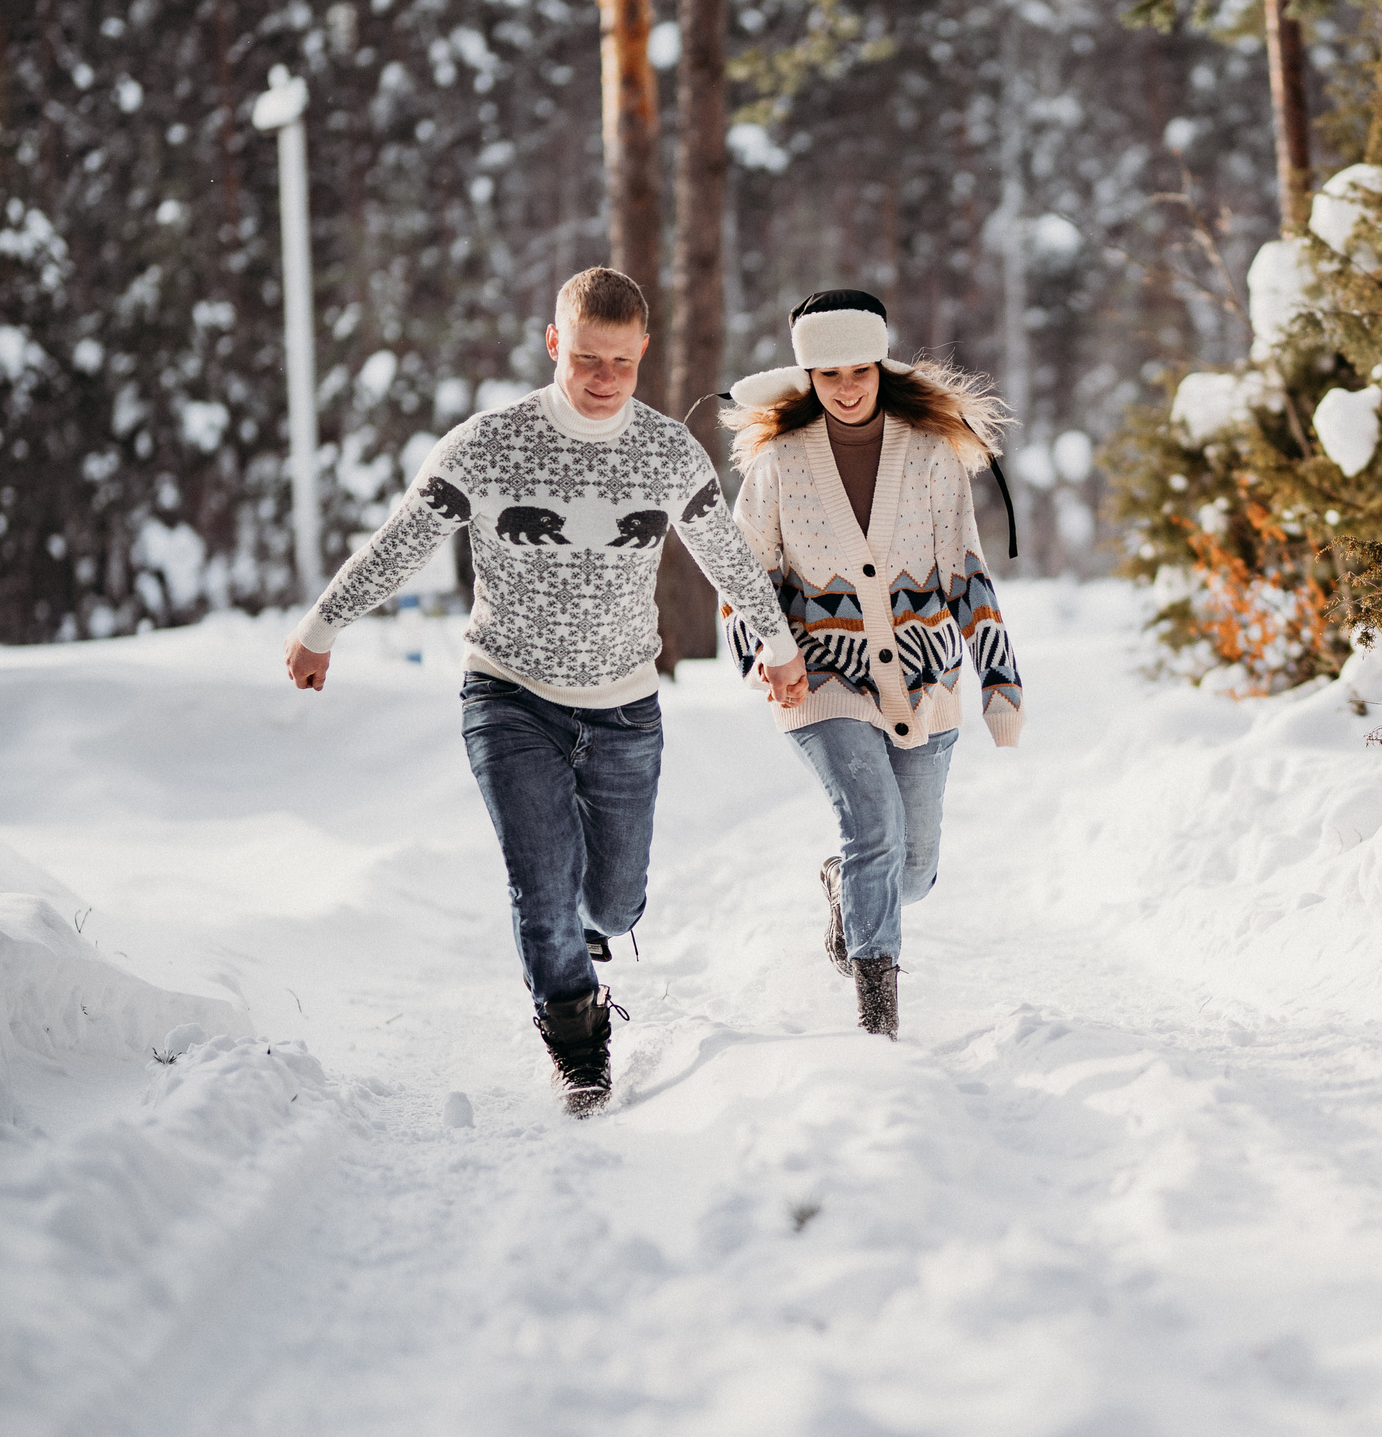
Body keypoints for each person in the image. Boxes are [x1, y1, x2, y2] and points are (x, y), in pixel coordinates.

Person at [282, 267, 807, 1112]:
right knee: (542, 880)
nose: (603, 379)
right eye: (586, 358)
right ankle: (578, 1040)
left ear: (644, 352)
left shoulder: (668, 451)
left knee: (616, 897)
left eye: (621, 363)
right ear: (554, 344)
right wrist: (323, 624)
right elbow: (403, 541)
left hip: (626, 702)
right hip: (508, 693)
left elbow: (727, 558)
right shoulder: (489, 444)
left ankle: (590, 938)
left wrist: (777, 646)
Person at [720, 290, 1026, 1038]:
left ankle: (843, 889)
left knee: (911, 873)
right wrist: (769, 648)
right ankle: (877, 1026)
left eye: (861, 369)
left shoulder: (931, 457)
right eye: (830, 375)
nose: (849, 387)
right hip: (819, 678)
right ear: (809, 378)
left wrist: (1000, 678)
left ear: (881, 367)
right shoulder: (779, 465)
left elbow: (966, 573)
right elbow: (739, 576)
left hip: (925, 684)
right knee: (874, 831)